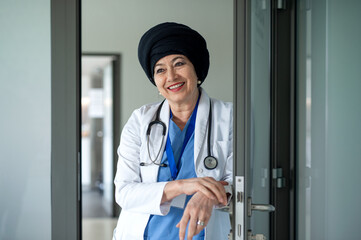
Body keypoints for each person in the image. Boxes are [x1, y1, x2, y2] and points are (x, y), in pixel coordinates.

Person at [113, 22, 233, 240]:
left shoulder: (229, 117)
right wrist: (184, 186)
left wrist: (207, 195)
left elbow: (238, 180)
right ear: (155, 81)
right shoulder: (140, 120)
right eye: (160, 69)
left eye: (179, 63)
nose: (171, 76)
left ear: (197, 69)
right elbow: (124, 192)